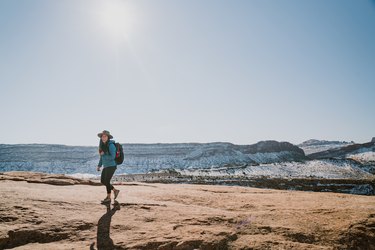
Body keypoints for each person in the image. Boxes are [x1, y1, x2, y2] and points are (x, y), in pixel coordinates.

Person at [97, 130, 120, 203]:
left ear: (108, 137)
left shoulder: (111, 145)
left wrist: (104, 154)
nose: (103, 138)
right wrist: (99, 165)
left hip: (112, 166)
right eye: (102, 136)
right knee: (102, 181)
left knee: (106, 181)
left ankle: (108, 198)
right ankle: (115, 190)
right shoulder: (103, 146)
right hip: (106, 166)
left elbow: (112, 157)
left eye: (105, 136)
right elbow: (102, 157)